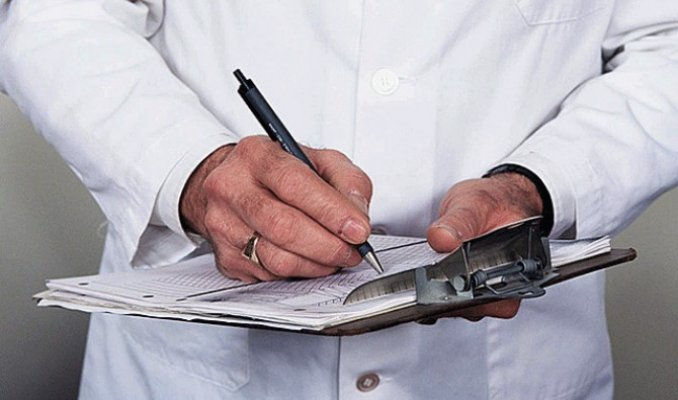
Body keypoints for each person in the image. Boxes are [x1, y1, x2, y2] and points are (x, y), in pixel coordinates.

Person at [1, 1, 677, 399]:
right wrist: (196, 173)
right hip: (195, 367)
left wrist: (539, 184)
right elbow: (58, 15)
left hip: (507, 366)